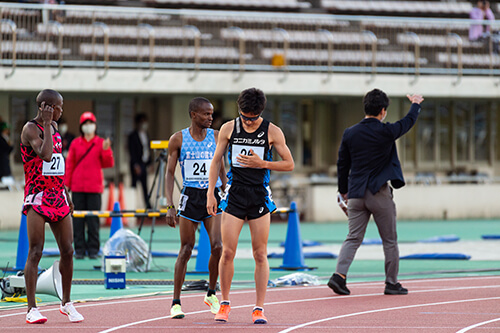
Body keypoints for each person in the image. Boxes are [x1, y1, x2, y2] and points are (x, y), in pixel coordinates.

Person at [207, 88, 294, 324]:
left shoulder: (272, 131)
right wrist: (210, 194)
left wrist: (262, 162)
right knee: (227, 252)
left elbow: (289, 164)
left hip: (259, 196)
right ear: (239, 111)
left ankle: (259, 307)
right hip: (234, 195)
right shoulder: (228, 128)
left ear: (260, 113)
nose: (248, 122)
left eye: (253, 118)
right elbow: (216, 161)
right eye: (244, 117)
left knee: (260, 253)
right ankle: (224, 303)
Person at [328, 89, 424, 297]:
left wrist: (343, 190)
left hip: (355, 193)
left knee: (353, 237)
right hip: (378, 192)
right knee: (389, 240)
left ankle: (339, 276)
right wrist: (416, 104)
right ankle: (391, 283)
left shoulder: (350, 133)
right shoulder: (386, 131)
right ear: (383, 111)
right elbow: (407, 122)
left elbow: (342, 163)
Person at [20, 89, 84, 324]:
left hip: (58, 196)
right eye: (58, 107)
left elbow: (57, 164)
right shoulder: (31, 129)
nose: (61, 111)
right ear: (45, 107)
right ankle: (31, 308)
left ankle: (66, 303)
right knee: (36, 250)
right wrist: (46, 123)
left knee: (68, 250)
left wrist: (66, 192)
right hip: (37, 197)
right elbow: (46, 155)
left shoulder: (54, 128)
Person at [165, 97, 227, 319]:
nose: (211, 117)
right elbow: (170, 173)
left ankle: (211, 292)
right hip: (190, 195)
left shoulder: (217, 136)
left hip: (213, 195)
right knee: (186, 249)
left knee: (218, 246)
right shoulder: (178, 139)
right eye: (206, 114)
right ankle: (176, 302)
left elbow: (221, 167)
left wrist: (225, 192)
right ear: (193, 114)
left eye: (211, 114)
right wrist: (170, 205)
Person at [65, 112, 114, 259]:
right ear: (81, 126)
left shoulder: (100, 142)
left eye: (90, 123)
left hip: (94, 187)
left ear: (95, 125)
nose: (88, 126)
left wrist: (106, 150)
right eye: (85, 123)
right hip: (78, 187)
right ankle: (79, 249)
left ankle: (93, 249)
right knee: (77, 220)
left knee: (93, 221)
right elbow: (70, 165)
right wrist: (66, 184)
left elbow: (108, 163)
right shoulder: (75, 143)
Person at [128, 113, 152, 209]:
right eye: (142, 122)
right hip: (136, 164)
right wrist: (135, 165)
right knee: (134, 186)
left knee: (145, 187)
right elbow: (132, 152)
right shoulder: (132, 136)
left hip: (144, 163)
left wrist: (150, 163)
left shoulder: (147, 134)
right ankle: (132, 207)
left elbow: (147, 150)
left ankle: (148, 207)